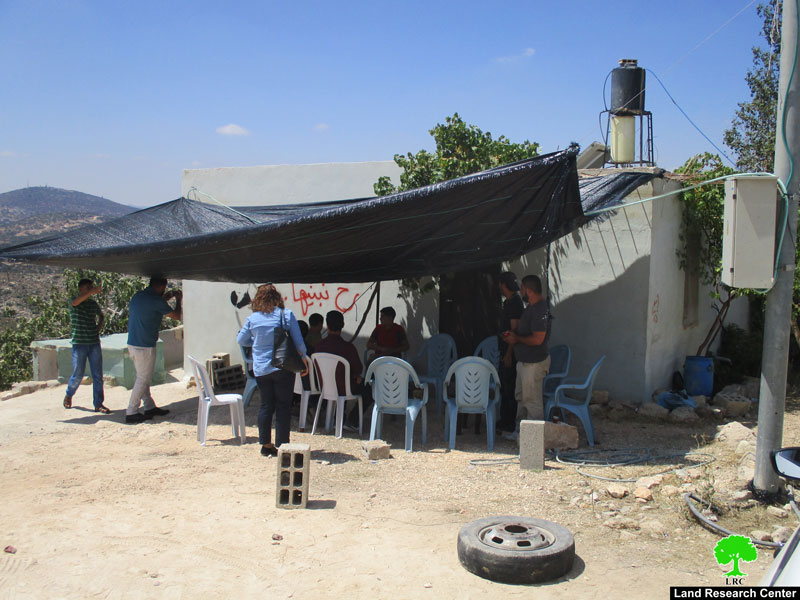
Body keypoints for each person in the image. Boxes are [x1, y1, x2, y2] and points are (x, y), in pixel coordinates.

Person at [237, 284, 308, 457]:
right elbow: (298, 342)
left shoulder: (253, 319)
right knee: (284, 406)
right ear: (277, 297)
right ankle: (282, 445)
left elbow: (241, 339)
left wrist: (257, 341)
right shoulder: (286, 315)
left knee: (266, 405)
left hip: (261, 368)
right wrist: (304, 360)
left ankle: (266, 445)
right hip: (283, 366)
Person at [125, 277, 182, 424]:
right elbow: (176, 316)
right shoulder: (156, 301)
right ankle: (131, 411)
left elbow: (151, 305)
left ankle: (149, 407)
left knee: (142, 377)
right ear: (161, 287)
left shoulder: (138, 296)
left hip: (133, 343)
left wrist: (163, 299)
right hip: (144, 346)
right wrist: (178, 300)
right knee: (143, 379)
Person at [503, 274, 551, 440]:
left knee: (532, 401)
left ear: (529, 291)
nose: (520, 291)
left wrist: (516, 339)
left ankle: (534, 441)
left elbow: (538, 339)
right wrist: (513, 336)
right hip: (524, 362)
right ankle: (520, 434)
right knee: (521, 398)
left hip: (534, 363)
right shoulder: (530, 307)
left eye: (522, 288)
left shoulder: (539, 310)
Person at [312, 310, 366, 432]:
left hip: (324, 387)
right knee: (366, 387)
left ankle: (335, 416)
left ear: (327, 324)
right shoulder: (348, 348)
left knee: (343, 379)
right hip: (344, 388)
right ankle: (352, 420)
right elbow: (359, 368)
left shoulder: (319, 346)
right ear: (342, 325)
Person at [63, 278, 109, 413]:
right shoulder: (74, 302)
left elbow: (101, 315)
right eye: (88, 287)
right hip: (79, 343)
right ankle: (69, 394)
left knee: (97, 375)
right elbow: (76, 302)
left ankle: (98, 404)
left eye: (91, 287)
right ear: (81, 289)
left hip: (93, 342)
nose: (90, 289)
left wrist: (98, 328)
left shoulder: (93, 304)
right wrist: (92, 291)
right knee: (78, 373)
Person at [497, 272, 524, 434]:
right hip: (504, 349)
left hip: (510, 353)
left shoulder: (515, 303)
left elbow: (515, 330)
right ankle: (504, 420)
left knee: (510, 388)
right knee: (504, 387)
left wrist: (508, 354)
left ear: (504, 285)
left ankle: (510, 422)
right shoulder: (508, 302)